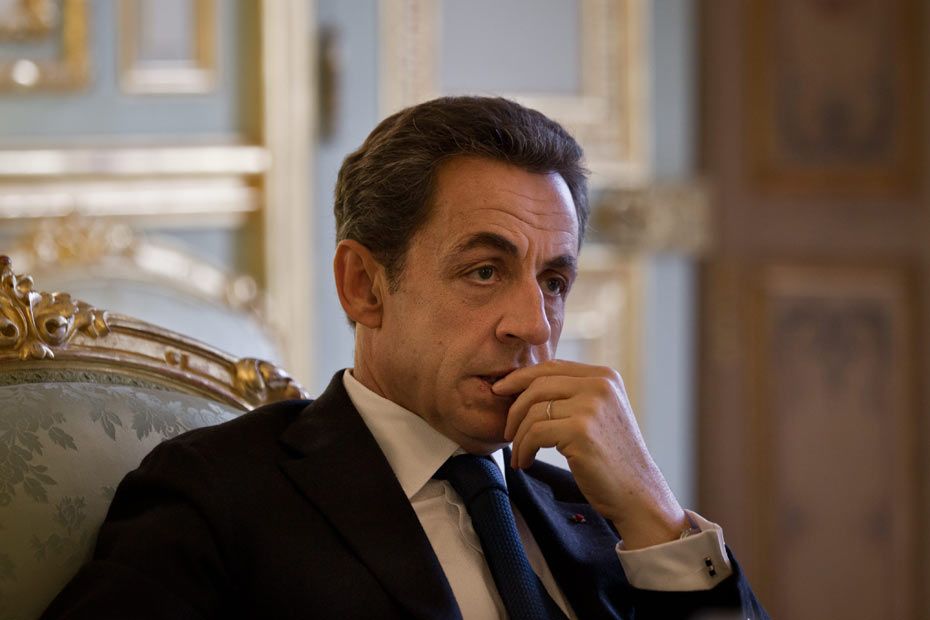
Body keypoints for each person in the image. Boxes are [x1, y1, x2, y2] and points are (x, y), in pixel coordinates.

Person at [44, 96, 767, 619]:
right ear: (364, 286)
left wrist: (659, 518)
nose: (532, 323)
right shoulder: (220, 495)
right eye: (484, 271)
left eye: (553, 281)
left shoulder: (602, 513)